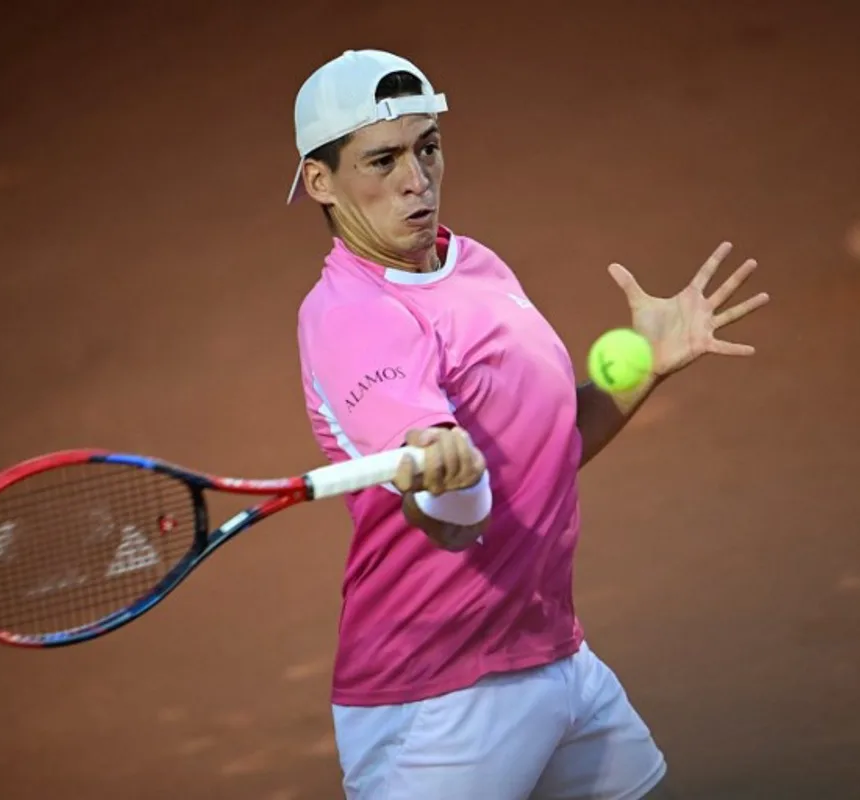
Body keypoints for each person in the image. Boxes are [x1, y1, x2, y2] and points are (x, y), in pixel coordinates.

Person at [290, 49, 769, 800]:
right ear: (320, 181)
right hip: (441, 698)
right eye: (381, 161)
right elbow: (447, 519)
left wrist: (648, 362)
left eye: (427, 147)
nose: (416, 180)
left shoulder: (472, 264)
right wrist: (443, 468)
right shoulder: (354, 319)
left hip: (551, 652)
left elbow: (547, 447)